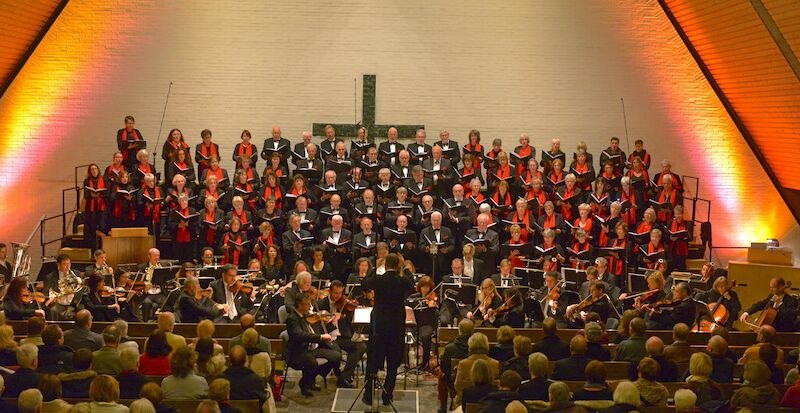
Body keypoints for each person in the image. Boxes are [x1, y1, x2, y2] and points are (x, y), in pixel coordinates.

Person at [360, 253, 414, 405]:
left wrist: (374, 268)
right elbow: (412, 283)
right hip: (396, 327)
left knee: (373, 360)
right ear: (398, 265)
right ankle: (387, 395)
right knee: (392, 363)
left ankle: (369, 395)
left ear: (385, 265)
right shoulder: (402, 281)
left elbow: (364, 283)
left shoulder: (379, 279)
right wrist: (404, 266)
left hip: (379, 326)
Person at [285, 295, 341, 396]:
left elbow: (311, 329)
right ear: (300, 305)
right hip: (300, 350)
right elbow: (299, 335)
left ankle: (313, 377)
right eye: (307, 305)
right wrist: (320, 337)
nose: (310, 307)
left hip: (312, 348)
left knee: (336, 356)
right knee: (312, 363)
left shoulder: (304, 315)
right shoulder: (292, 318)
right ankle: (304, 384)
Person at [454, 333, 501, 407]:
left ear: (470, 345)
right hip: (490, 402)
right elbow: (497, 385)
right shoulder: (495, 363)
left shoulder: (463, 364)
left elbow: (458, 386)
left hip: (467, 400)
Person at [438, 319, 474, 413]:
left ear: (459, 331)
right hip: (474, 380)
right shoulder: (476, 347)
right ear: (472, 331)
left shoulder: (450, 348)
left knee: (441, 375)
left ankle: (443, 406)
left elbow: (443, 368)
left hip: (453, 382)